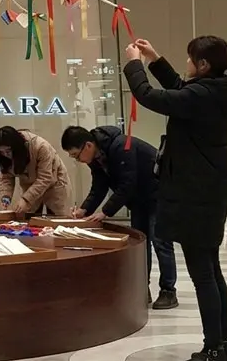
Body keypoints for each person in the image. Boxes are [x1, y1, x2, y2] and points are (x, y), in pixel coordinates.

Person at [124, 36, 227, 361]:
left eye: (190, 58)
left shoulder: (202, 94)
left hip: (195, 195)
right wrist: (155, 59)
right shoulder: (218, 90)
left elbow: (150, 96)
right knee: (211, 271)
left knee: (203, 274)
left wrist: (134, 64)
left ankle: (213, 351)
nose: (187, 63)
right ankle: (224, 348)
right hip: (209, 191)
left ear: (203, 65)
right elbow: (180, 89)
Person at [61, 125, 178, 310]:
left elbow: (127, 183)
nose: (78, 160)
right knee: (140, 244)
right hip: (138, 201)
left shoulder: (122, 146)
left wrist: (105, 212)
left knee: (161, 243)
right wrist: (84, 209)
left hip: (158, 195)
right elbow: (99, 186)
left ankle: (168, 291)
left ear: (88, 145)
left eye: (76, 155)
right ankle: (142, 288)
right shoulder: (96, 157)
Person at [0, 126, 72, 217]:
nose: (6, 154)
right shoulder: (4, 156)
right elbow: (6, 177)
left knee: (57, 219)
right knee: (30, 219)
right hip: (31, 188)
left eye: (8, 150)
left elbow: (45, 178)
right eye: (2, 152)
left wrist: (26, 199)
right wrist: (6, 196)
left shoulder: (40, 146)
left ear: (16, 146)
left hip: (55, 184)